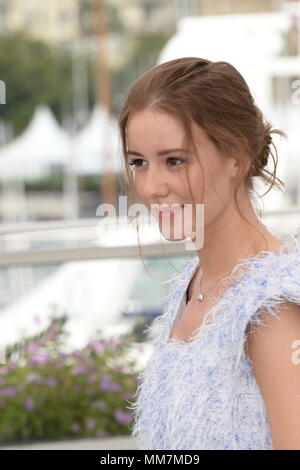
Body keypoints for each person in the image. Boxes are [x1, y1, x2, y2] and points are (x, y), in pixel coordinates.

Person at [118, 57, 300, 450]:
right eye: (139, 162)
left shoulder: (272, 309)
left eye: (175, 161)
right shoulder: (191, 282)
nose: (151, 187)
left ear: (236, 156)